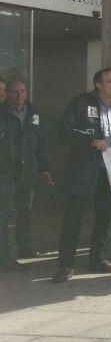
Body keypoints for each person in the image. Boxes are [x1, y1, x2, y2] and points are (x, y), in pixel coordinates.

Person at [52, 68, 111, 283]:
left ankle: (98, 258)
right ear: (98, 84)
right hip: (84, 168)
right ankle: (66, 264)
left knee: (105, 216)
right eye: (110, 81)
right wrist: (91, 141)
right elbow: (64, 130)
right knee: (74, 216)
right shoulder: (81, 103)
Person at [3, 81, 52, 259]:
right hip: (7, 171)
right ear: (7, 93)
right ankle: (4, 251)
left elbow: (41, 144)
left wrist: (44, 168)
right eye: (15, 92)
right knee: (5, 211)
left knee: (26, 210)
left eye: (23, 91)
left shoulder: (34, 112)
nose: (20, 95)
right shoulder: (3, 113)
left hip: (28, 169)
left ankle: (25, 246)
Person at [0, 92, 26, 272]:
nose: (3, 94)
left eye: (3, 90)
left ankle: (5, 256)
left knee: (3, 216)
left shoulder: (7, 116)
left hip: (4, 172)